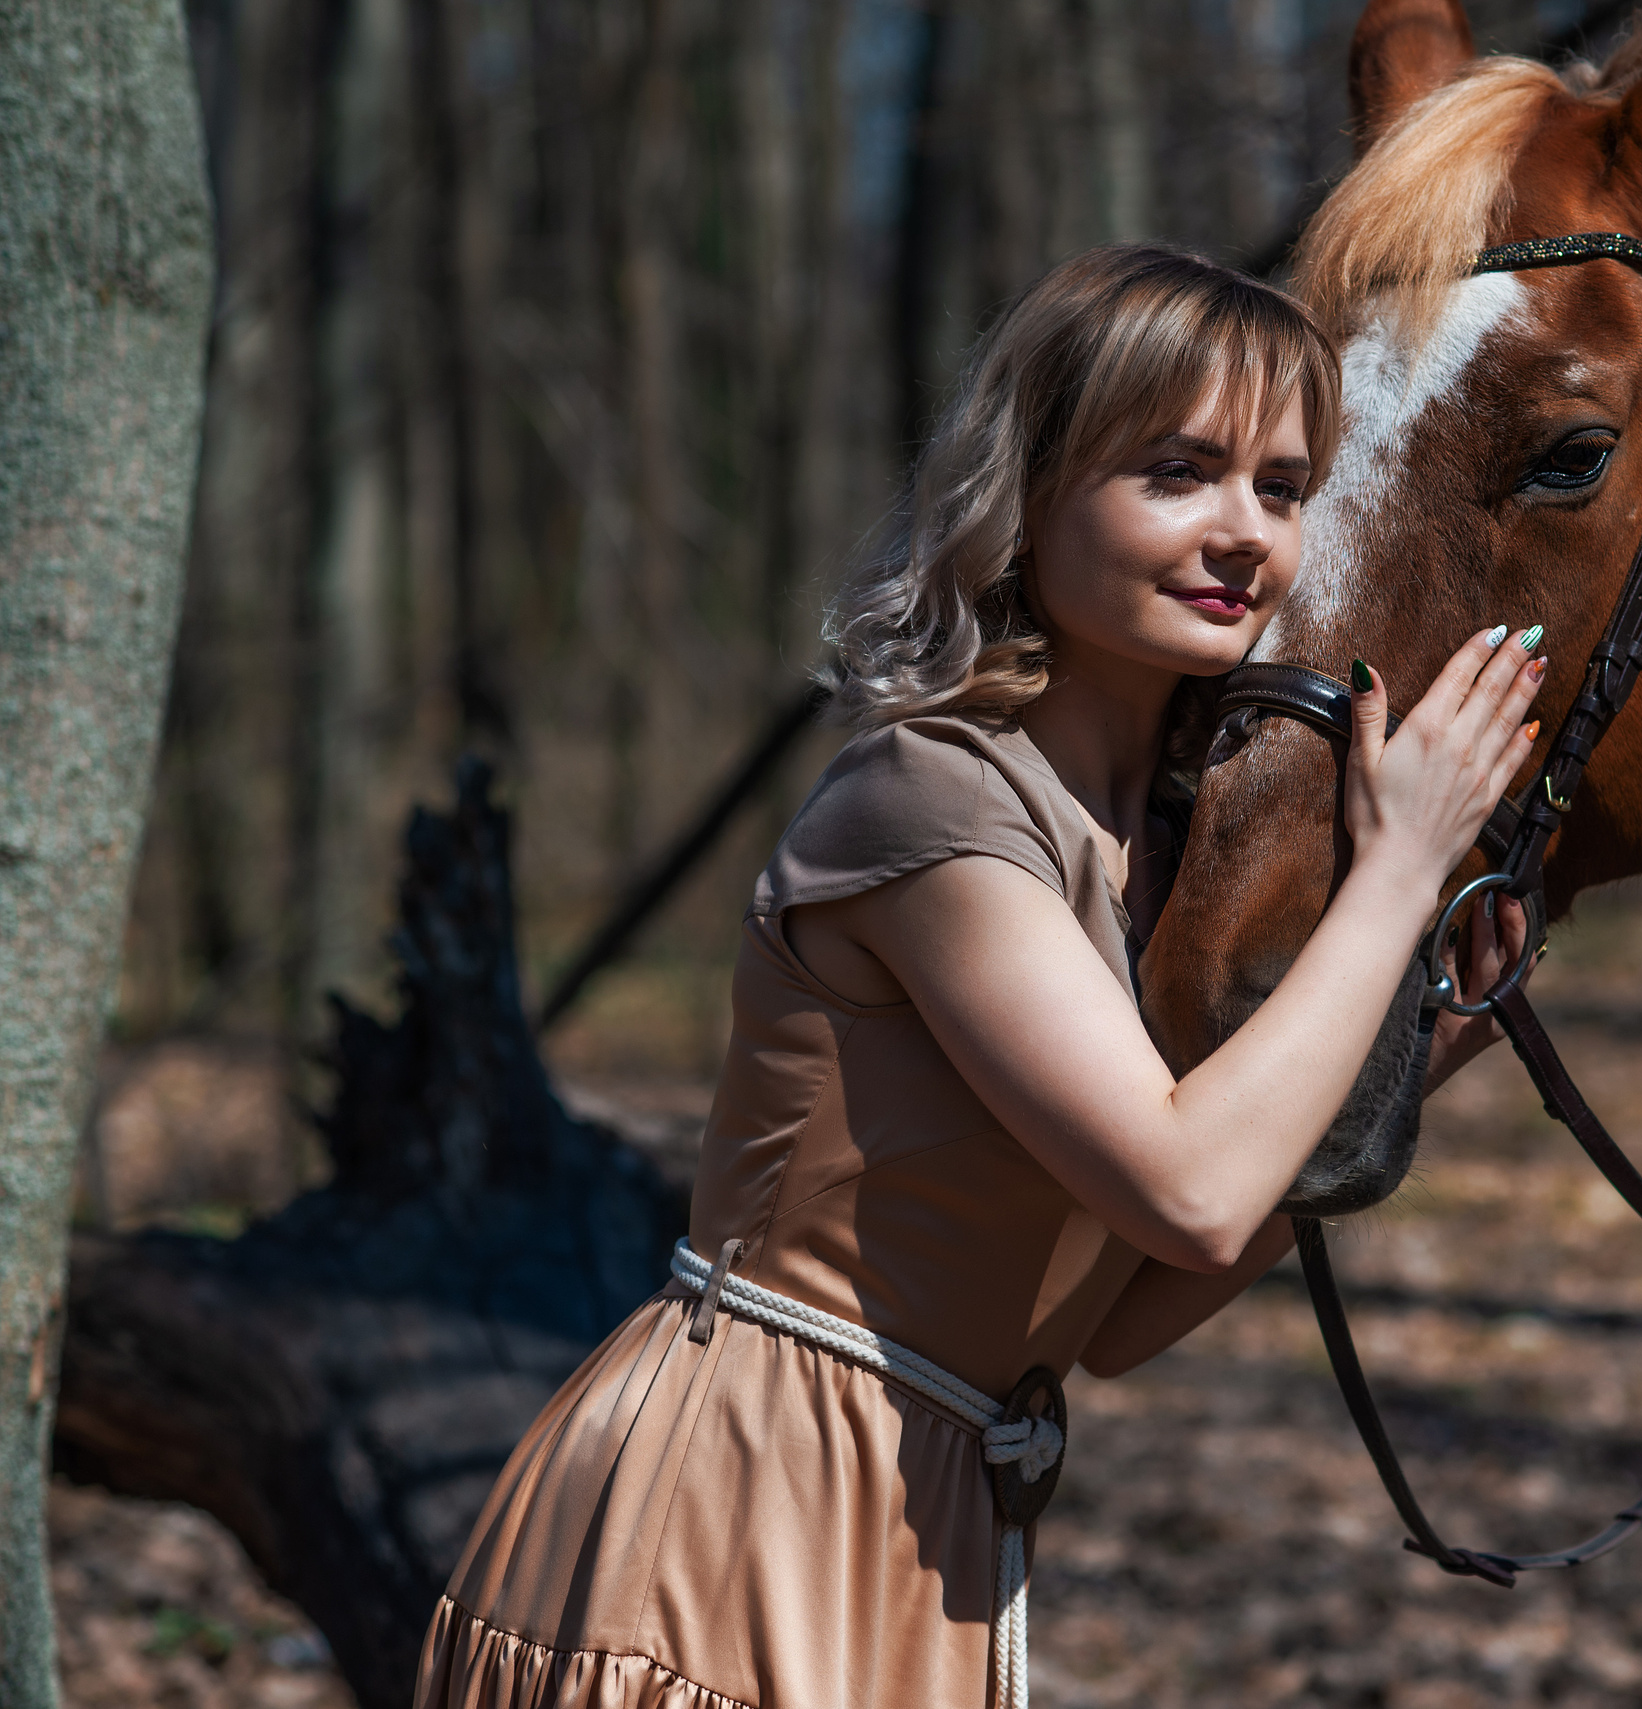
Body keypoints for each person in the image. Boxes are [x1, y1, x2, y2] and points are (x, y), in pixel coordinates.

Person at [412, 243, 1540, 1709]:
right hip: (733, 1512)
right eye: (1178, 469)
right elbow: (1190, 1192)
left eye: (1282, 483)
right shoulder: (932, 798)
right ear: (1032, 490)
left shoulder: (1154, 848)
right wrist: (1401, 869)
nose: (1243, 531)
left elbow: (1113, 1320)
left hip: (926, 1527)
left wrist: (1430, 1040)